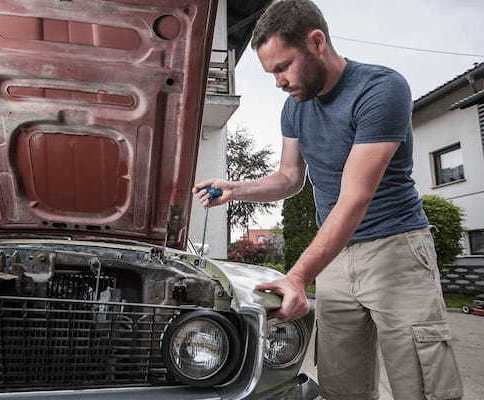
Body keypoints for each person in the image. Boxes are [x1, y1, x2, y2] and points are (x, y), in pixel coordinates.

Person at [192, 1, 463, 399]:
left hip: (397, 252)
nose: (279, 82)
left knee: (420, 384)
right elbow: (289, 178)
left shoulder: (380, 89)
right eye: (272, 73)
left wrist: (299, 276)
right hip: (335, 259)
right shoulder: (294, 109)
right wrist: (237, 188)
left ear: (316, 42)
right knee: (341, 386)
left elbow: (355, 197)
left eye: (283, 67)